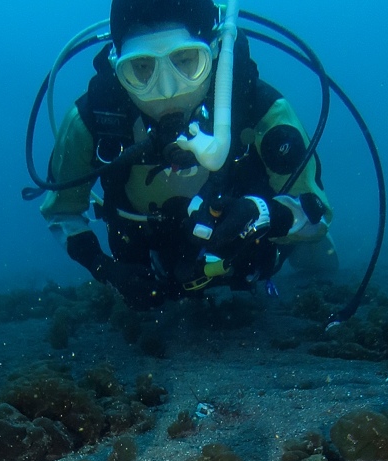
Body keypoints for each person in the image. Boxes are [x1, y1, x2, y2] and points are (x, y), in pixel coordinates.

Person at [40, 0, 336, 309]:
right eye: (141, 68)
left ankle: (299, 252)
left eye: (186, 61)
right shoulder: (91, 121)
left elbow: (318, 212)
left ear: (215, 53)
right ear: (117, 68)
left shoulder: (259, 108)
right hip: (151, 262)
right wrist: (106, 269)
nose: (167, 90)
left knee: (310, 252)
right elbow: (62, 210)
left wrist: (265, 214)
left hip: (250, 254)